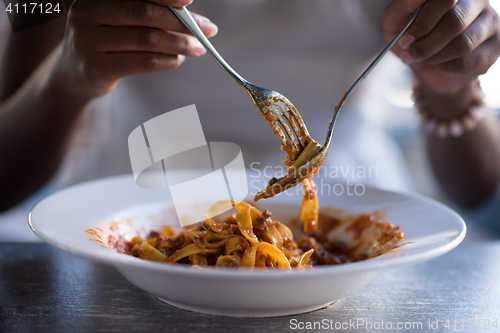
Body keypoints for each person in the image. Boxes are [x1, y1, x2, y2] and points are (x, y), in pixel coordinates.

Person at [0, 0, 499, 240]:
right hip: (134, 202)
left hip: (349, 202)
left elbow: (486, 198)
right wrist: (68, 78)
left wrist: (452, 87)